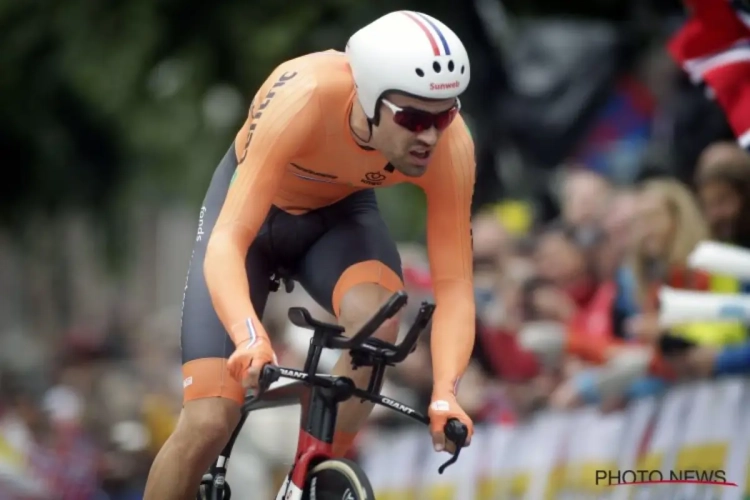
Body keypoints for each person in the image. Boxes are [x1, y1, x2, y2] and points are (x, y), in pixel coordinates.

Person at [143, 10, 476, 500]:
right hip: (251, 223)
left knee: (380, 321)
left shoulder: (451, 148)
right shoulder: (306, 96)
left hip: (338, 222)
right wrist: (249, 337)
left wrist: (447, 391)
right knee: (211, 418)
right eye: (412, 117)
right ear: (367, 99)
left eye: (444, 115)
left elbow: (454, 286)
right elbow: (229, 241)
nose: (430, 134)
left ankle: (309, 481)